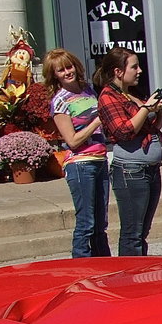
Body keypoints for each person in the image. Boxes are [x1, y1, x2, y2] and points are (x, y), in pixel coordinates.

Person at [96, 47, 162, 256]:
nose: (139, 71)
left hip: (150, 170)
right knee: (132, 233)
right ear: (118, 71)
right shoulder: (108, 97)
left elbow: (149, 129)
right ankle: (129, 280)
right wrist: (147, 108)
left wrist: (161, 112)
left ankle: (140, 275)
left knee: (142, 231)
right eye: (134, 67)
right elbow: (124, 131)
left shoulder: (130, 95)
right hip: (130, 172)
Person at [46, 48, 111, 258]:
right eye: (60, 70)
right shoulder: (60, 102)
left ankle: (104, 264)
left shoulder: (89, 90)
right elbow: (72, 141)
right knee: (87, 222)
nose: (67, 72)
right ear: (54, 75)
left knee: (101, 222)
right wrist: (97, 122)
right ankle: (80, 265)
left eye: (69, 66)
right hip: (81, 164)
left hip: (100, 158)